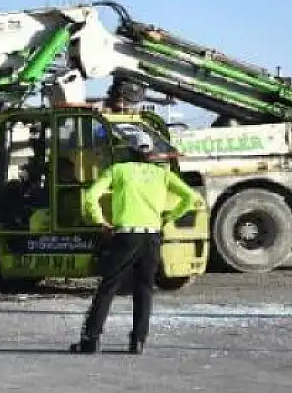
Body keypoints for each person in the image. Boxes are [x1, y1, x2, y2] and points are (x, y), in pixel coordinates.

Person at [69, 131, 200, 355]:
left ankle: (91, 339)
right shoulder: (162, 175)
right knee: (144, 288)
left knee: (108, 286)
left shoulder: (119, 171)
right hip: (152, 236)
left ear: (128, 151)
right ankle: (137, 341)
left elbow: (91, 196)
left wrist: (101, 221)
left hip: (126, 235)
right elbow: (191, 198)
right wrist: (167, 218)